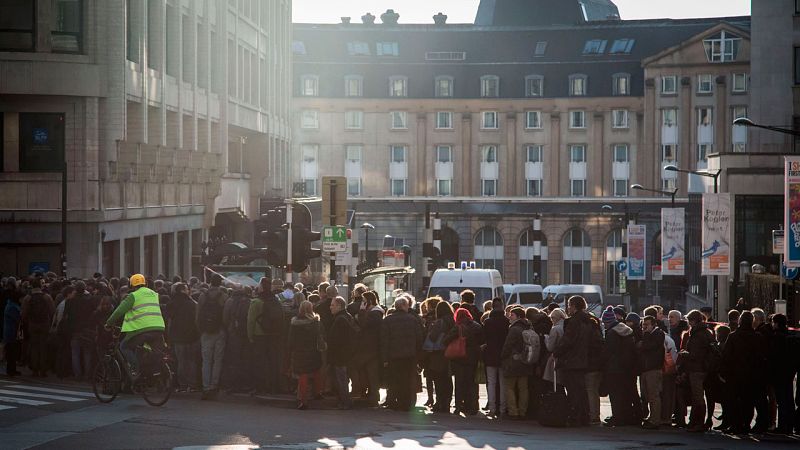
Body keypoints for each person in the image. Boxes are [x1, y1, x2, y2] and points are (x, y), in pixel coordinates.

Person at [104, 274, 166, 382]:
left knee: (124, 346)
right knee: (150, 350)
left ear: (131, 285)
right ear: (145, 283)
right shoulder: (154, 294)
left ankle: (136, 370)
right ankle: (153, 372)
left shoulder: (133, 296)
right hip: (158, 328)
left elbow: (119, 311)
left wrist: (108, 323)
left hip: (142, 329)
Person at [720, 310, 765, 434]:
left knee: (734, 400)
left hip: (735, 374)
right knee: (748, 401)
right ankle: (746, 424)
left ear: (740, 320)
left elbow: (726, 355)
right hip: (751, 374)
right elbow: (760, 356)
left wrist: (724, 371)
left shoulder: (733, 336)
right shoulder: (757, 337)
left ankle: (736, 425)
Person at [554, 296, 593, 427]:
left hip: (571, 361)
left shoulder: (574, 322)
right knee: (581, 391)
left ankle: (574, 417)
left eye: (569, 305)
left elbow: (567, 341)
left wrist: (557, 352)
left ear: (574, 306)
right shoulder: (589, 320)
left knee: (573, 391)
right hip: (583, 360)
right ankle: (584, 416)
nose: (568, 308)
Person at [381, 296, 424, 411]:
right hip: (409, 356)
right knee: (407, 380)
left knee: (395, 380)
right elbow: (419, 338)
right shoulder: (413, 319)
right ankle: (406, 403)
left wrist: (384, 358)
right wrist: (419, 356)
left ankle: (395, 401)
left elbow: (384, 340)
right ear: (404, 306)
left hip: (393, 356)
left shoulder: (388, 320)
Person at [601, 305, 638, 427]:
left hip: (614, 369)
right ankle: (627, 416)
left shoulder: (612, 333)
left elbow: (608, 352)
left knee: (615, 395)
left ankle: (617, 417)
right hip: (627, 368)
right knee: (625, 394)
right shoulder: (626, 330)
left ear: (607, 322)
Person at [677, 309, 714, 432]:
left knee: (698, 397)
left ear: (692, 321)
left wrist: (684, 354)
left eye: (689, 321)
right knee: (697, 397)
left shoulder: (697, 334)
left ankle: (698, 423)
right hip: (704, 368)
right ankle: (694, 422)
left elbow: (695, 355)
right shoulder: (707, 332)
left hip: (696, 369)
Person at [444, 307, 485, 416]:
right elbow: (482, 341)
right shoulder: (477, 326)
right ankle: (472, 406)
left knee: (459, 383)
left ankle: (458, 407)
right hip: (473, 357)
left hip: (459, 358)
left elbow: (446, 340)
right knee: (472, 383)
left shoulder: (458, 327)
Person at [195, 274, 228, 399]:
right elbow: (226, 316)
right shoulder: (224, 296)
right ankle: (214, 385)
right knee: (217, 360)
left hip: (206, 332)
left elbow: (197, 315)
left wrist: (201, 329)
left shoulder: (203, 296)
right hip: (220, 331)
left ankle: (206, 386)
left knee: (206, 360)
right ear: (220, 283)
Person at [288, 300, 324, 410]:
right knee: (316, 370)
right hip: (314, 351)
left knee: (303, 375)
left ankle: (304, 400)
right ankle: (318, 392)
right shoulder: (316, 322)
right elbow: (321, 336)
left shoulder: (295, 323)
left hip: (300, 352)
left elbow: (291, 340)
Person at [165, 282, 200, 392]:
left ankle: (182, 385)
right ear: (182, 290)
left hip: (178, 336)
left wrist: (169, 335)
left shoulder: (171, 303)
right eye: (187, 289)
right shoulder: (192, 303)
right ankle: (192, 384)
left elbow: (169, 321)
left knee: (181, 361)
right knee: (191, 361)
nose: (189, 290)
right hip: (192, 336)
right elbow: (196, 320)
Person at [500, 308, 531, 419]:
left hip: (513, 361)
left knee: (510, 387)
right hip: (526, 361)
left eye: (512, 315)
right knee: (523, 388)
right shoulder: (529, 327)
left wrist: (502, 357)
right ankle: (523, 411)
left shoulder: (514, 329)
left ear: (518, 317)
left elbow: (507, 346)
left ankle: (513, 412)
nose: (509, 317)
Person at [20, 278, 55, 377]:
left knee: (34, 347)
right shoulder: (46, 297)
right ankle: (43, 370)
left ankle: (34, 370)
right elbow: (52, 311)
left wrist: (26, 322)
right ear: (41, 286)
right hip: (44, 324)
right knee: (43, 347)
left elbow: (23, 313)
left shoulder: (28, 298)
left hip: (32, 324)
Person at [328, 296, 357, 409]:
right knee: (343, 379)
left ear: (339, 306)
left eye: (332, 305)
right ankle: (345, 401)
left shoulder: (340, 319)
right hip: (346, 355)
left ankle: (345, 402)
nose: (330, 307)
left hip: (340, 355)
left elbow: (337, 339)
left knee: (341, 380)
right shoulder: (347, 316)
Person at [769, 313, 796, 434]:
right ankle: (789, 425)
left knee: (781, 400)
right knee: (789, 399)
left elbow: (773, 356)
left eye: (773, 322)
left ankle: (782, 426)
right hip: (789, 372)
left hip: (779, 372)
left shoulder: (776, 337)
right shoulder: (790, 335)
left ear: (776, 323)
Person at [482, 297, 509, 417]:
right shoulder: (507, 321)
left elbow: (484, 338)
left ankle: (492, 408)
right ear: (502, 306)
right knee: (503, 383)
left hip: (490, 355)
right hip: (503, 355)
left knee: (491, 382)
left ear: (492, 307)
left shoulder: (488, 322)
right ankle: (503, 408)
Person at [638, 315, 665, 429]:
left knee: (654, 395)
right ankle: (652, 417)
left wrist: (646, 336)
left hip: (653, 369)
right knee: (647, 395)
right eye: (643, 324)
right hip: (646, 368)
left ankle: (655, 420)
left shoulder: (658, 334)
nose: (644, 327)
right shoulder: (649, 335)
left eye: (646, 324)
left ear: (653, 324)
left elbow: (647, 347)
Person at [427, 300, 455, 412]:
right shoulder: (453, 320)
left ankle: (440, 403)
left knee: (438, 380)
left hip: (439, 353)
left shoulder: (440, 322)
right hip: (451, 353)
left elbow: (433, 337)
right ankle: (447, 403)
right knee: (448, 380)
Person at [3, 292, 21, 376]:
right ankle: (11, 370)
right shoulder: (13, 307)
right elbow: (17, 318)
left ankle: (12, 369)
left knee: (11, 352)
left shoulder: (10, 305)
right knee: (12, 352)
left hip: (9, 331)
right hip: (11, 331)